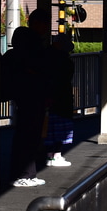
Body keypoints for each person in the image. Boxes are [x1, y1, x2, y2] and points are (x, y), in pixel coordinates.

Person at [3, 8, 52, 187]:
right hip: (33, 94)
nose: (46, 27)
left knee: (26, 134)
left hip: (23, 94)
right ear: (37, 23)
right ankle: (24, 174)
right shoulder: (34, 47)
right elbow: (40, 69)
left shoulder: (18, 50)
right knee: (29, 134)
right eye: (45, 23)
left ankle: (27, 173)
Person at [44, 31, 76, 168]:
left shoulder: (46, 56)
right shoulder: (64, 60)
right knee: (61, 127)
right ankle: (56, 155)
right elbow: (65, 77)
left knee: (49, 127)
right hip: (61, 97)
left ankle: (50, 155)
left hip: (48, 96)